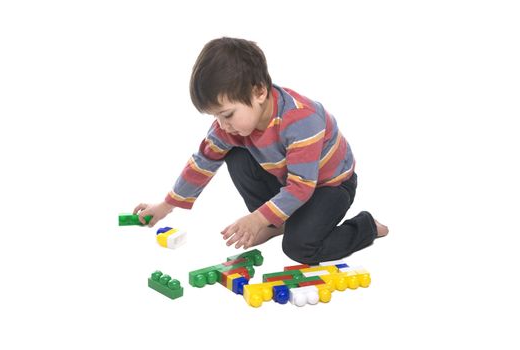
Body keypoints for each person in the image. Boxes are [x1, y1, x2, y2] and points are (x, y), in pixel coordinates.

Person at [134, 37, 388, 264]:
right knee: (232, 151)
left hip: (329, 186)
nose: (222, 125)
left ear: (259, 92)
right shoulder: (230, 127)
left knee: (299, 248)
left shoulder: (301, 119)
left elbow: (302, 187)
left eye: (227, 114)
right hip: (287, 180)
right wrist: (166, 205)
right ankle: (278, 222)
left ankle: (366, 228)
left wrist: (256, 219)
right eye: (216, 116)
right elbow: (203, 162)